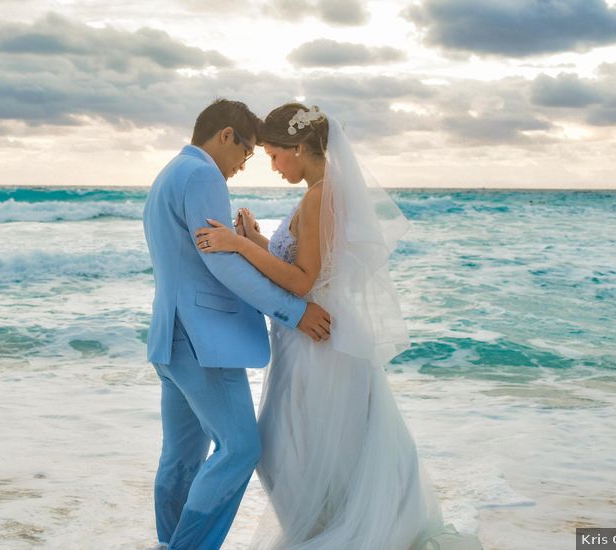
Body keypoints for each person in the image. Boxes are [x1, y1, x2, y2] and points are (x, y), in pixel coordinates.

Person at [194, 103, 482, 549]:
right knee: (307, 449)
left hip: (318, 340)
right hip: (313, 334)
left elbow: (304, 280)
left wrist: (237, 245)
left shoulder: (319, 195)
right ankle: (325, 528)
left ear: (300, 147)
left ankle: (330, 533)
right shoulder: (323, 192)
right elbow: (308, 264)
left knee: (287, 451)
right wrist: (257, 241)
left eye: (274, 155)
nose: (272, 166)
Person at [142, 99, 332, 550]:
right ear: (226, 135)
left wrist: (247, 242)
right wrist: (293, 311)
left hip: (170, 339)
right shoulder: (204, 174)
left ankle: (170, 543)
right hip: (203, 341)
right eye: (246, 154)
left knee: (182, 458)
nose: (242, 167)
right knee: (240, 449)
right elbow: (222, 265)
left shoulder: (170, 173)